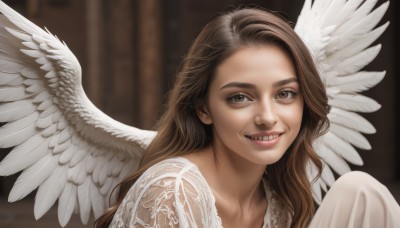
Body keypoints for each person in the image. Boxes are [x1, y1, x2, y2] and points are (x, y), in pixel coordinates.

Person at [94, 8, 400, 228]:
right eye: (240, 97)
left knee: (361, 193)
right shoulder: (173, 191)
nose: (267, 117)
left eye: (285, 94)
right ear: (204, 109)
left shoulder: (278, 201)